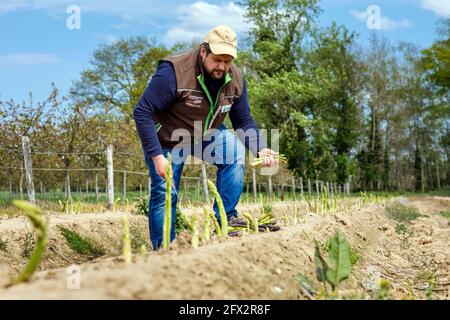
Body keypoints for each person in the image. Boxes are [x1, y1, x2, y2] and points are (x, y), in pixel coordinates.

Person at [133, 25, 279, 250]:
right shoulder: (173, 72)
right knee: (165, 192)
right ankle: (165, 249)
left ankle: (226, 219)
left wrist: (261, 148)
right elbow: (142, 111)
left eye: (227, 61)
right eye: (217, 59)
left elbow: (243, 120)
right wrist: (156, 156)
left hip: (206, 133)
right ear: (203, 51)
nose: (222, 66)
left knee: (234, 153)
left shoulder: (236, 79)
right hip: (168, 140)